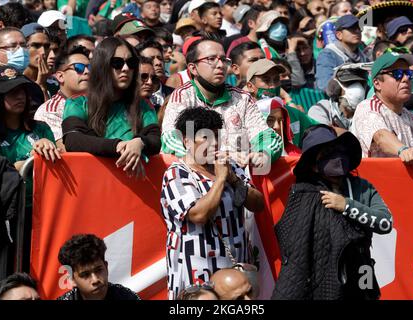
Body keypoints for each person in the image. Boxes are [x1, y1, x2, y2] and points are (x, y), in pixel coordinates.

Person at [272, 124, 393, 300]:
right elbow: (294, 247)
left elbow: (385, 223)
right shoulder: (304, 194)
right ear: (313, 165)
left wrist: (346, 205)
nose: (337, 157)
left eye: (339, 150)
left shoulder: (363, 187)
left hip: (362, 269)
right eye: (328, 153)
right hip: (321, 281)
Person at [160, 107, 264, 299]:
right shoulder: (176, 174)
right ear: (187, 142)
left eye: (217, 136)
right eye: (205, 138)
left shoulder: (230, 166)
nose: (214, 143)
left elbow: (258, 204)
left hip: (234, 275)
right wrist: (220, 180)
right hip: (196, 276)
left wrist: (233, 179)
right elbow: (198, 215)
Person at [161, 38, 283, 168]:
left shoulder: (242, 98)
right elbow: (171, 140)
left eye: (224, 59)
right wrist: (218, 158)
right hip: (196, 180)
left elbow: (267, 137)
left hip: (239, 181)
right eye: (211, 59)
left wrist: (262, 154)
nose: (220, 65)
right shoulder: (183, 96)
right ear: (193, 68)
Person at [62, 37, 161, 177]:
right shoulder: (77, 103)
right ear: (102, 66)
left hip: (134, 186)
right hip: (92, 184)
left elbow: (155, 139)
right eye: (117, 63)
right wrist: (118, 146)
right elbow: (73, 140)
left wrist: (140, 142)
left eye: (131, 63)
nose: (126, 69)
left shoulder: (143, 105)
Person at [351, 52, 413, 162]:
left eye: (409, 73)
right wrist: (402, 150)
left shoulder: (408, 116)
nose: (406, 78)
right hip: (373, 178)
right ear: (377, 83)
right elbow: (380, 136)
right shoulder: (367, 107)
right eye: (397, 74)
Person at [0, 66, 61, 172]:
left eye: (22, 91)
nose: (20, 96)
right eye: (11, 92)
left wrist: (46, 145)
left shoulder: (42, 128)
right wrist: (29, 161)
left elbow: (57, 166)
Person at [245, 58, 319, 146]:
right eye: (266, 80)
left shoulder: (292, 113)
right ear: (250, 86)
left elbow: (320, 130)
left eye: (276, 80)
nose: (272, 86)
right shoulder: (244, 117)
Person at [34, 46, 90, 152]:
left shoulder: (101, 102)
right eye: (79, 68)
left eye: (90, 67)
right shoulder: (49, 111)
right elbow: (65, 148)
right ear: (60, 76)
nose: (87, 71)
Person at [57, 234, 141, 300]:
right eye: (85, 275)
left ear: (106, 267)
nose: (95, 280)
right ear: (72, 279)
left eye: (99, 270)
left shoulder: (127, 297)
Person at [308, 62, 368, 131]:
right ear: (336, 88)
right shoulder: (321, 110)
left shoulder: (369, 113)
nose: (357, 89)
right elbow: (323, 138)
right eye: (349, 84)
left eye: (360, 84)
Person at [315, 14, 368, 92]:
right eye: (352, 28)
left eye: (358, 28)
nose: (357, 31)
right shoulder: (328, 54)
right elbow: (324, 85)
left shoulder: (362, 55)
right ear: (339, 35)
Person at [137, 40, 174, 110]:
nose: (158, 63)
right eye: (151, 59)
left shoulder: (175, 94)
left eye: (160, 58)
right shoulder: (128, 99)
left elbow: (190, 120)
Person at [21, 23, 51, 101]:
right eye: (36, 46)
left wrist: (42, 86)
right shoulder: (12, 80)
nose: (43, 52)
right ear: (23, 47)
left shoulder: (55, 84)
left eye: (47, 46)